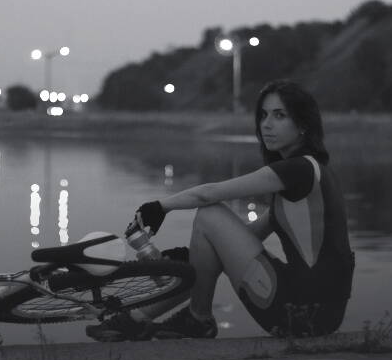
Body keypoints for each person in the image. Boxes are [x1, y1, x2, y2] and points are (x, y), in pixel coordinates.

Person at [86, 79, 355, 341]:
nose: (266, 124)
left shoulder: (299, 170)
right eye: (263, 115)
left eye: (279, 115)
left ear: (303, 124)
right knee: (207, 241)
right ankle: (136, 319)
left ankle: (197, 318)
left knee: (209, 213)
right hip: (321, 315)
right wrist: (192, 254)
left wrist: (160, 207)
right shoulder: (314, 173)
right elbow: (248, 238)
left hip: (301, 311)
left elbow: (208, 194)